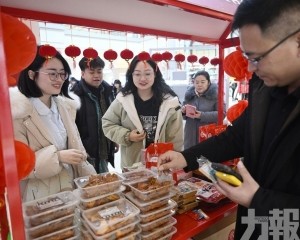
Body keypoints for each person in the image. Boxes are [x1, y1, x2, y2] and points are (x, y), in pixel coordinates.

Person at [158, 0, 300, 239]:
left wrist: (259, 199)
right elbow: (238, 135)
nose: (252, 69)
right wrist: (186, 157)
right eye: (247, 57)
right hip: (256, 224)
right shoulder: (264, 89)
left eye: (258, 57)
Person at [10, 46, 96, 202]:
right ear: (31, 74)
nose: (59, 79)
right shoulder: (18, 115)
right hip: (43, 196)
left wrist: (93, 181)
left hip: (73, 186)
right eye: (52, 74)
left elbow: (76, 148)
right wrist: (57, 157)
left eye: (62, 74)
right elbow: (18, 166)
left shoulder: (65, 107)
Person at [102, 56, 184, 170]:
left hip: (162, 164)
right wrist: (127, 135)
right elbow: (107, 123)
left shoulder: (169, 103)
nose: (142, 78)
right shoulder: (123, 100)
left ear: (155, 74)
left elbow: (176, 137)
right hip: (132, 166)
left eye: (147, 74)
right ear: (131, 75)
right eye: (137, 74)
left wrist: (175, 163)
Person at [71, 56, 118, 173]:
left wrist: (114, 140)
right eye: (91, 72)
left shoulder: (108, 91)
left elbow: (112, 119)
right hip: (86, 151)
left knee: (104, 181)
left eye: (99, 71)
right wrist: (79, 148)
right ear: (82, 74)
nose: (96, 75)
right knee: (89, 184)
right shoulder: (75, 95)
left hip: (104, 148)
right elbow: (72, 126)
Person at [182, 70, 219, 149]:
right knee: (190, 157)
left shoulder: (215, 96)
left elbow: (221, 114)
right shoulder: (189, 95)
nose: (199, 85)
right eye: (197, 82)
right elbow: (183, 116)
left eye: (202, 82)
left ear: (208, 82)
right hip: (190, 134)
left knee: (206, 157)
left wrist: (201, 115)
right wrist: (183, 112)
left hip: (207, 133)